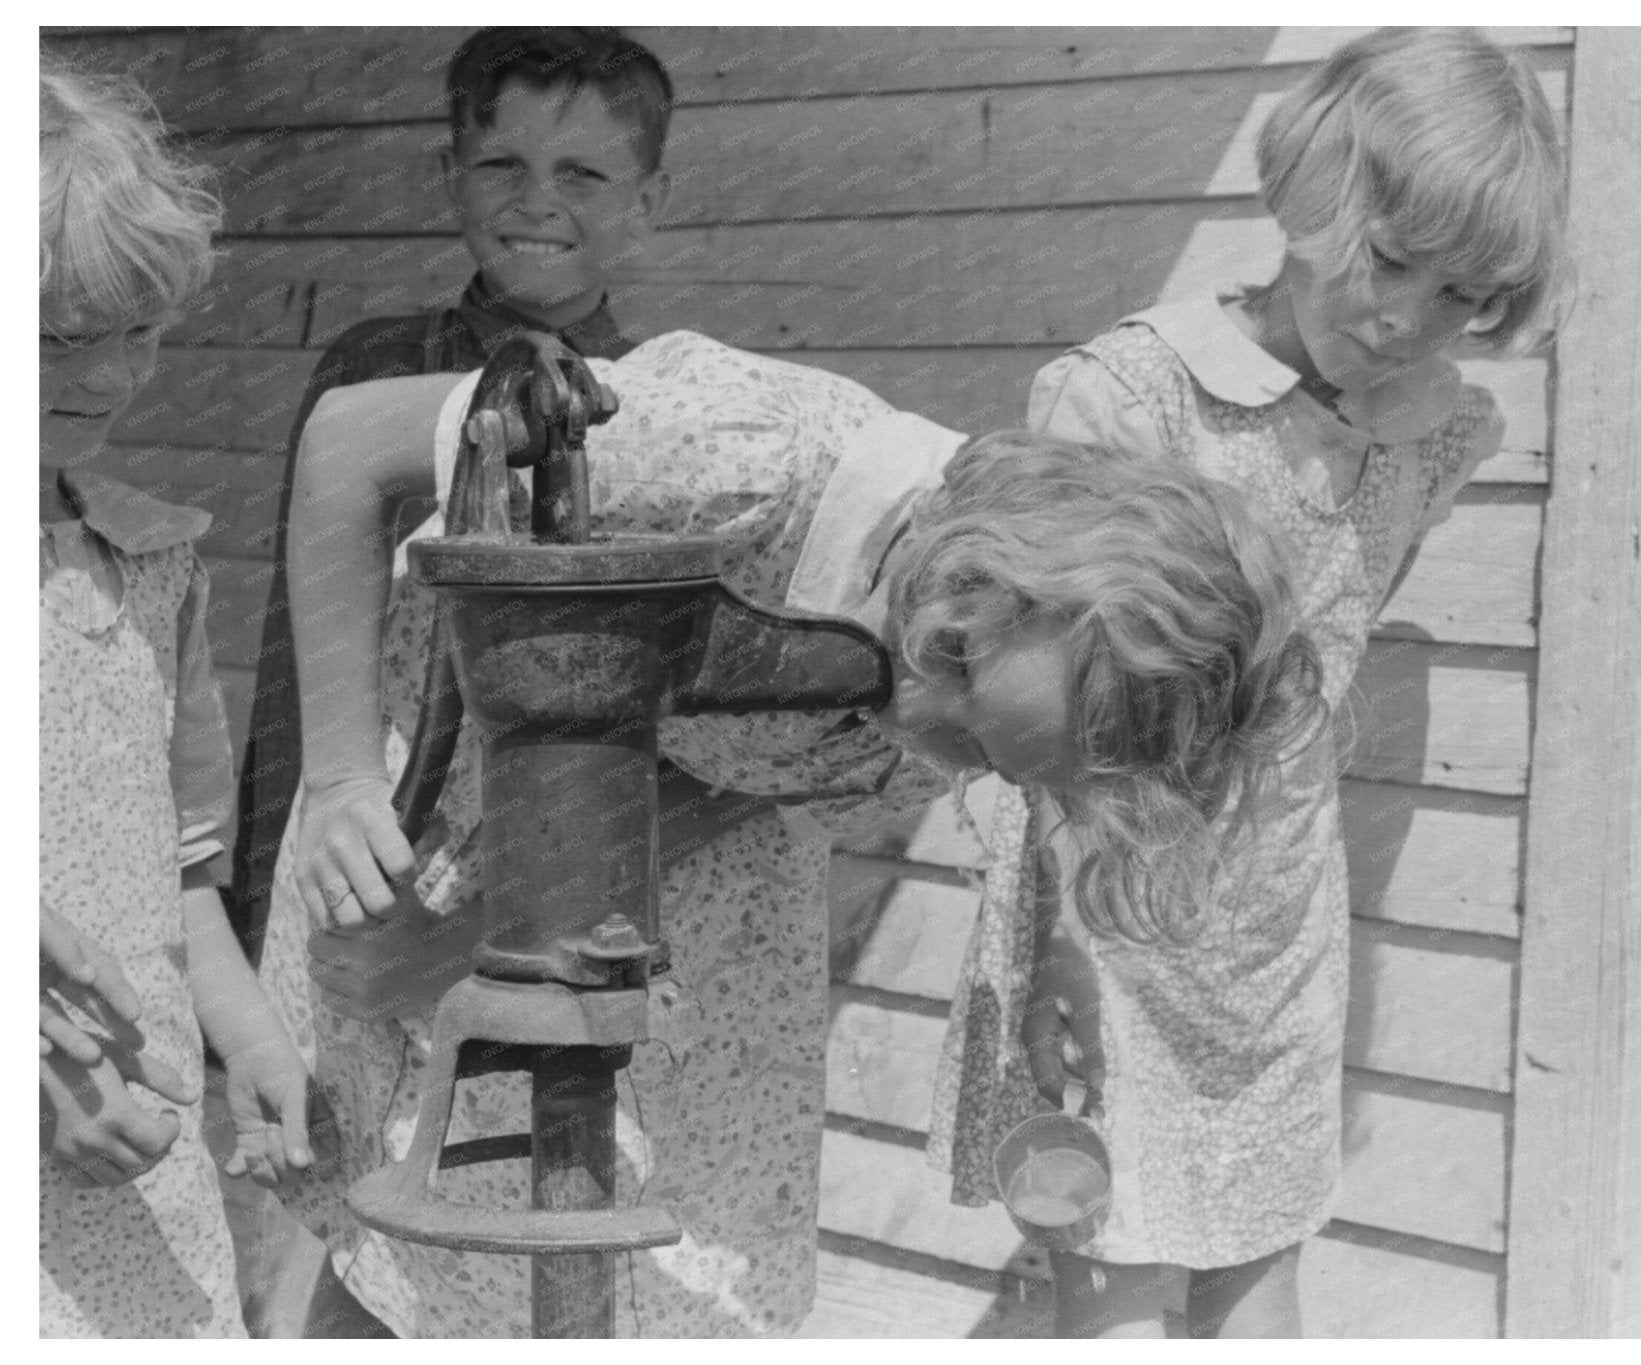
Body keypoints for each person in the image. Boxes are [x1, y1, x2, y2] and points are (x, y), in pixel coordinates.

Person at [257, 329, 1324, 1337]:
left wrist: (1055, 945)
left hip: (669, 907)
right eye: (949, 662)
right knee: (420, 1246)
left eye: (987, 758)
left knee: (661, 1289)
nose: (919, 725)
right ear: (985, 568)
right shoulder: (741, 456)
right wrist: (347, 780)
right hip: (443, 816)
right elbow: (345, 443)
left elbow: (755, 788)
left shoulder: (999, 665)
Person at [926, 27, 1571, 1337]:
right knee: (1107, 1258)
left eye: (1457, 297)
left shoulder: (1435, 430)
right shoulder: (1137, 400)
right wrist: (1064, 940)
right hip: (1099, 885)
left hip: (1275, 906)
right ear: (1308, 199)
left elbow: (1322, 648)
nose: (1407, 318)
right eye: (1389, 261)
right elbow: (1048, 709)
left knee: (1259, 1250)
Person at [232, 26, 674, 962]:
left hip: (568, 853)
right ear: (452, 174)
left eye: (584, 175)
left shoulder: (666, 403)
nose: (538, 200)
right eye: (502, 163)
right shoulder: (371, 371)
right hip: (372, 837)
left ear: (648, 204)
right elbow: (292, 655)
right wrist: (257, 883)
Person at [38, 52, 315, 1338]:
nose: (106, 377)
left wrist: (248, 1038)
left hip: (128, 1163)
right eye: (52, 339)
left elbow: (179, 864)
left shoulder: (148, 565)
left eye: (139, 332)